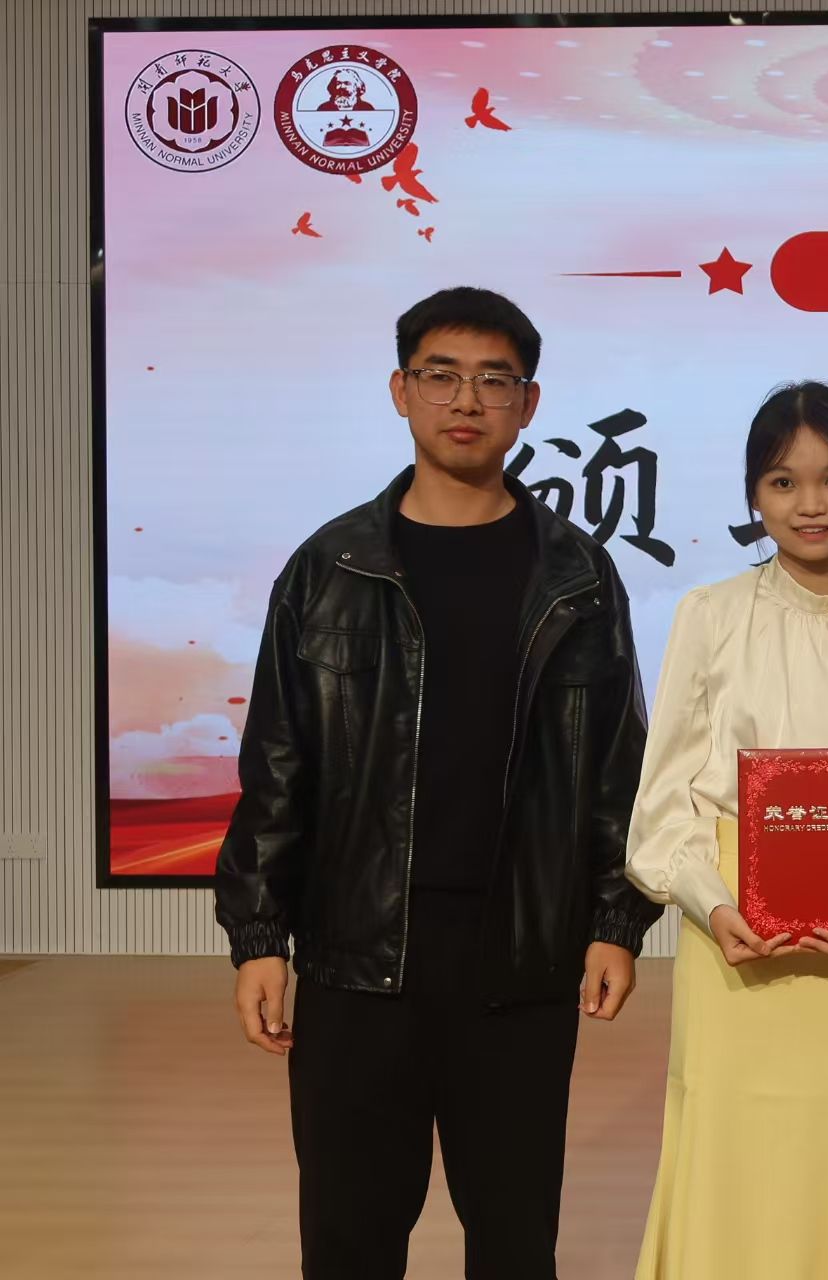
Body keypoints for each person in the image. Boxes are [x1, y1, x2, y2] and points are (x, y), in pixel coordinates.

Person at [214, 286, 659, 1280]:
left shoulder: (578, 576)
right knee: (350, 1237)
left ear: (528, 404)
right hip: (357, 958)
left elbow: (614, 768)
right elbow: (278, 761)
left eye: (494, 380)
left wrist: (614, 920)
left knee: (514, 1241)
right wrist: (259, 935)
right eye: (442, 375)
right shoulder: (329, 569)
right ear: (400, 390)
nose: (467, 400)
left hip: (521, 960)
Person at [626, 381, 828, 1278]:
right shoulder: (709, 615)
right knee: (735, 1150)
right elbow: (664, 801)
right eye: (783, 482)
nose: (811, 504)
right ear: (753, 495)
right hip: (734, 932)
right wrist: (711, 904)